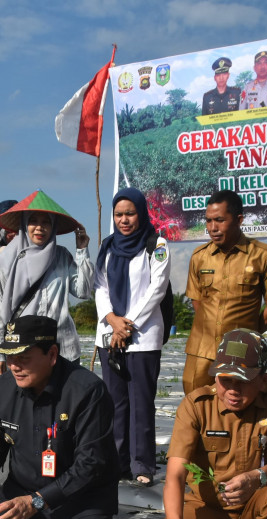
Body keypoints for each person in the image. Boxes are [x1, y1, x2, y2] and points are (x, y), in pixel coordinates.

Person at [0, 316, 117, 519]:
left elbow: (91, 464)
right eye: (10, 357)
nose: (14, 366)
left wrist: (37, 502)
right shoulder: (4, 387)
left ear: (52, 355)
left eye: (23, 358)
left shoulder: (87, 392)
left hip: (79, 498)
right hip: (22, 488)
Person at [148, 330, 267, 519]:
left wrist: (256, 478)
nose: (233, 389)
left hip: (256, 504)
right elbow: (175, 474)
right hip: (208, 506)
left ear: (263, 380)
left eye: (243, 381)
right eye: (225, 379)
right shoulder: (196, 406)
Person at [93, 188, 171, 486]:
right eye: (118, 214)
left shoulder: (156, 244)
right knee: (114, 402)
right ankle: (118, 461)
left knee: (141, 402)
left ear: (141, 213)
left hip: (143, 336)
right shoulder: (108, 246)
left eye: (130, 213)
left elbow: (157, 288)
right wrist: (112, 320)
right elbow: (100, 287)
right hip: (110, 336)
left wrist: (128, 324)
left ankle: (142, 464)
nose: (124, 220)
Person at [183, 190, 267, 394]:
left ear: (239, 220)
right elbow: (198, 302)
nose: (212, 228)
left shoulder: (262, 255)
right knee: (195, 400)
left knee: (236, 403)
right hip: (201, 349)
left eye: (219, 220)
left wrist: (246, 337)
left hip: (238, 350)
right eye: (208, 221)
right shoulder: (199, 256)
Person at [0, 191, 93, 376]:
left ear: (53, 226)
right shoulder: (7, 261)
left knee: (64, 404)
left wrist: (82, 250)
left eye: (46, 222)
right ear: (24, 224)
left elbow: (83, 291)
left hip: (63, 349)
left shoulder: (61, 256)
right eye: (33, 221)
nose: (39, 227)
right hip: (23, 351)